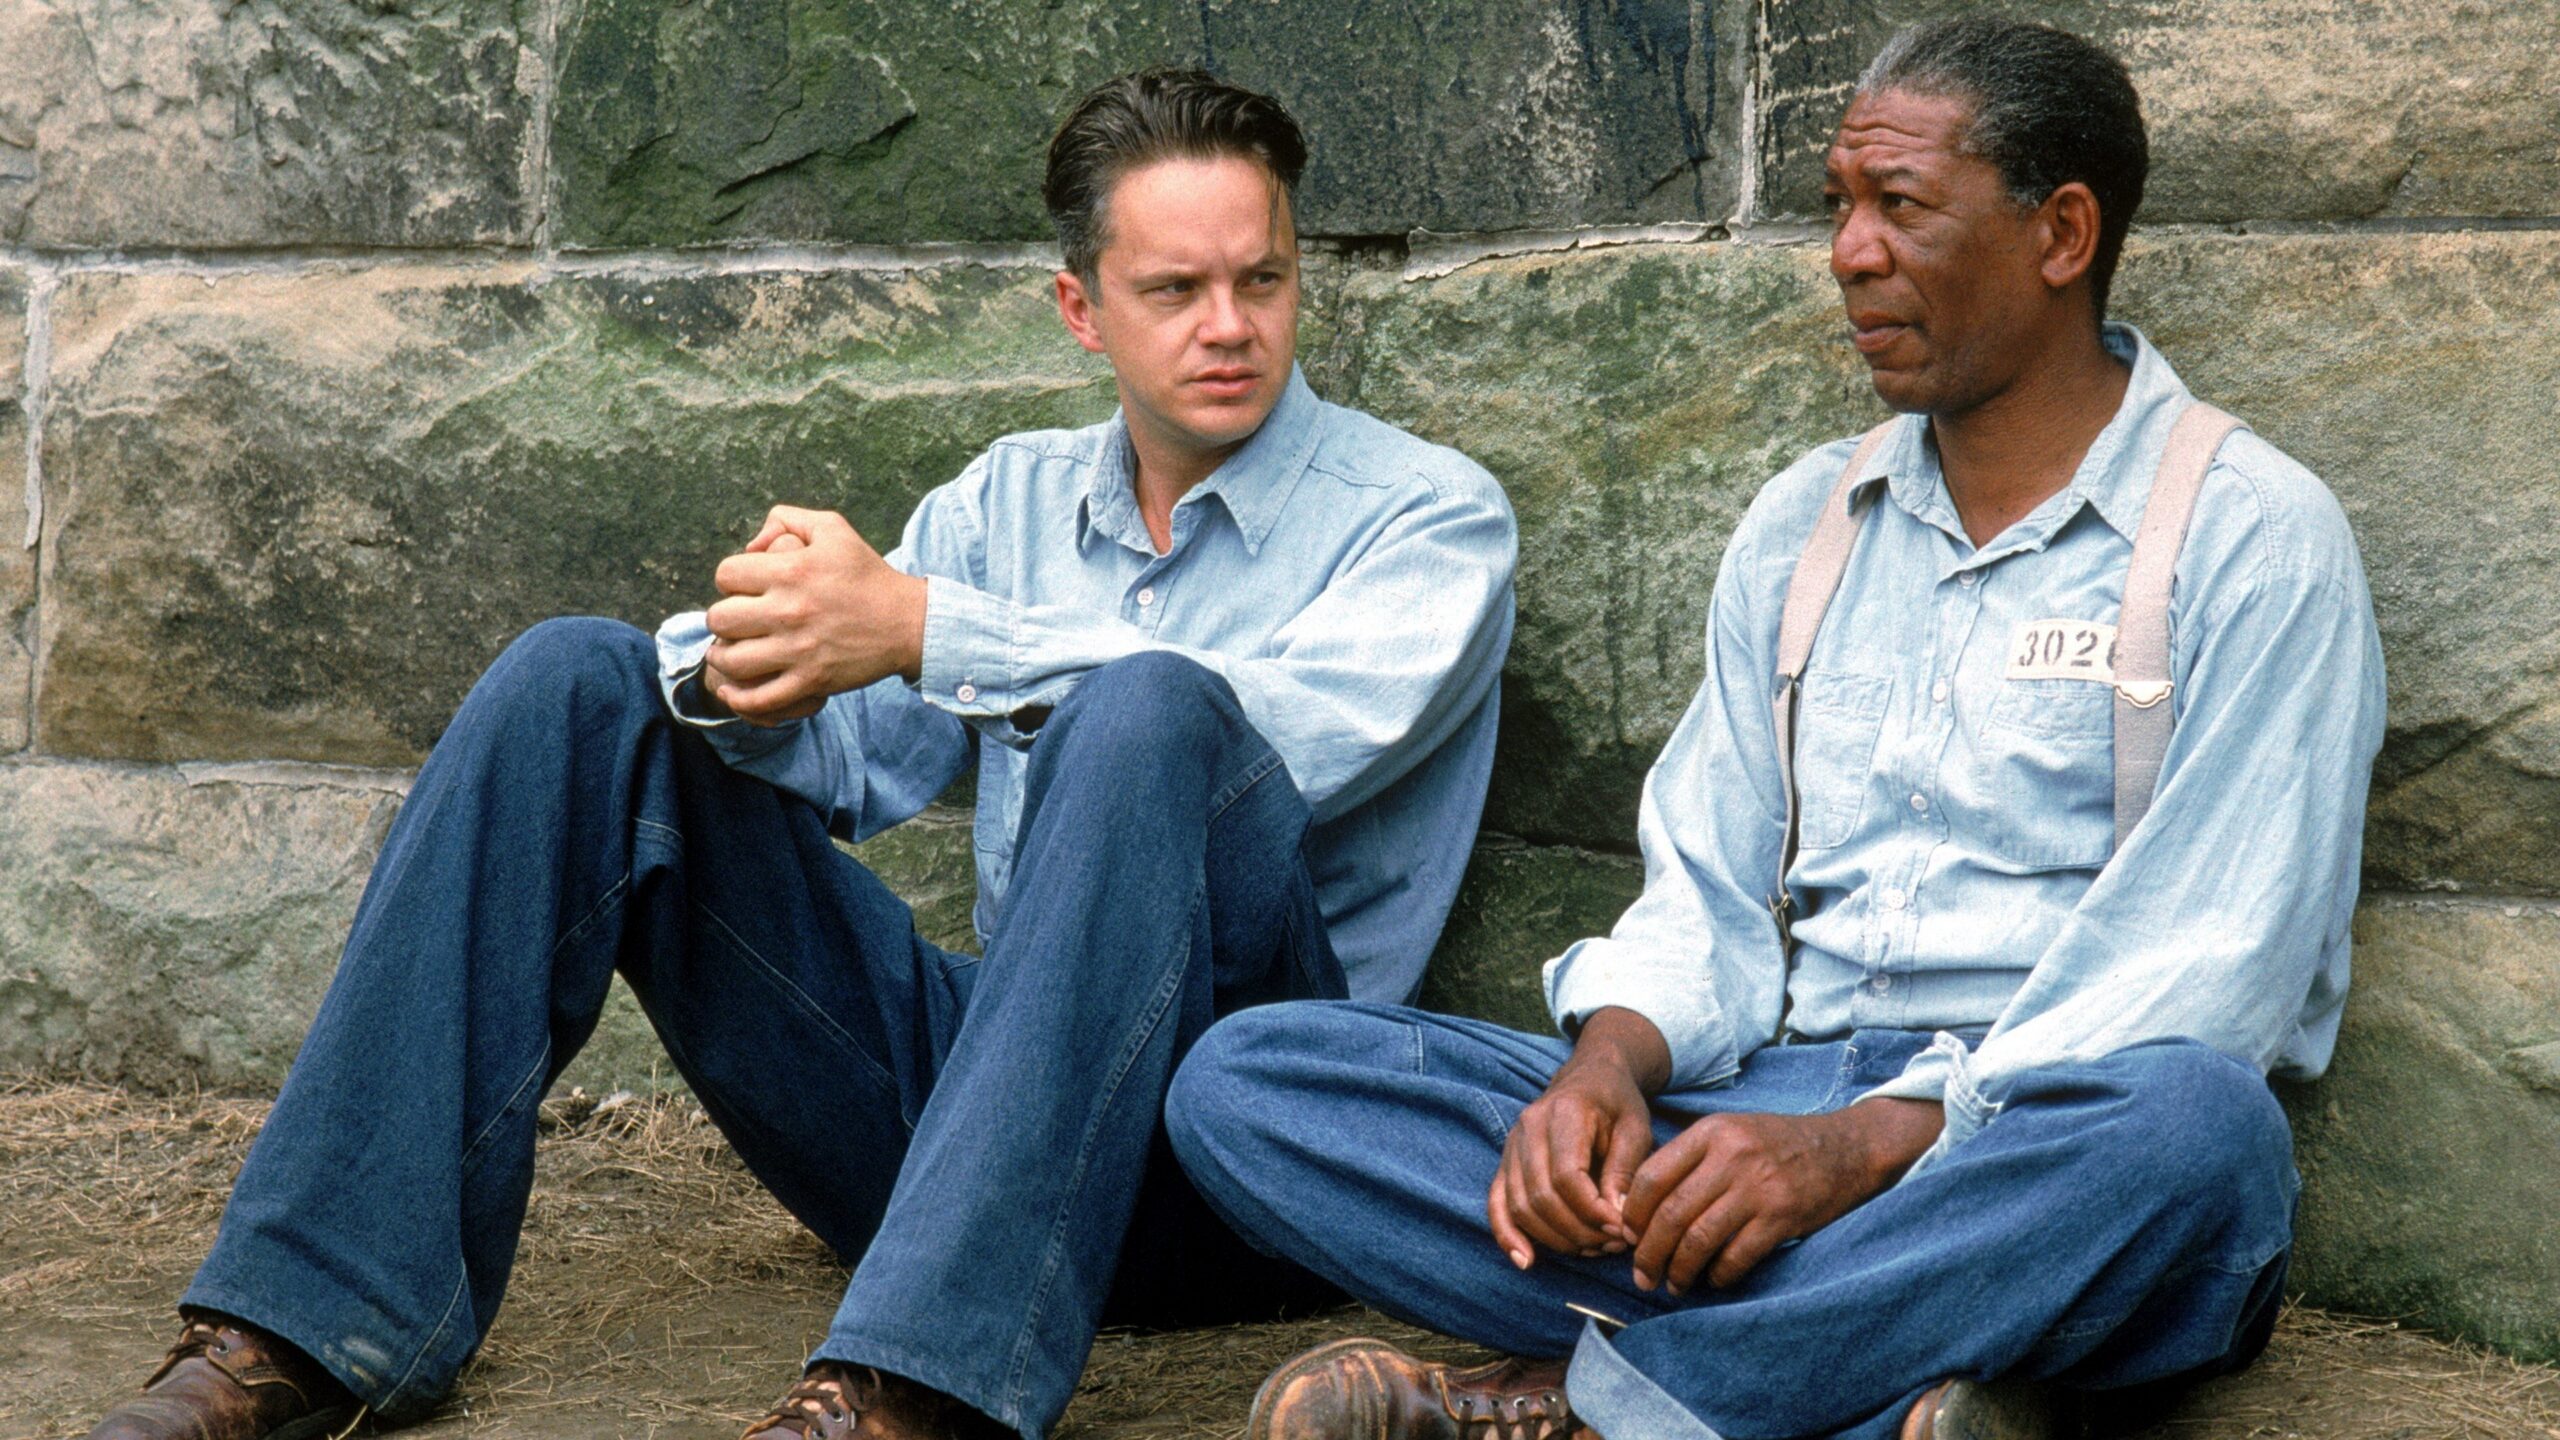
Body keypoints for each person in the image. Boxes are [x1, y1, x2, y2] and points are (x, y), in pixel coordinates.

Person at [84, 69, 1517, 1440]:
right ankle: (303, 1326)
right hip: (975, 1133)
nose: (1230, 326)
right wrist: (754, 659)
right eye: (1176, 290)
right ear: (1082, 309)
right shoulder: (1008, 502)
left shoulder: (1428, 518)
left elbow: (1286, 734)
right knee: (580, 679)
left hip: (1244, 1156)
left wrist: (920, 624)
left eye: (1262, 280)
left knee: (1155, 711)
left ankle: (913, 1390)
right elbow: (848, 765)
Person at [1165, 18, 2385, 1440]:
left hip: (2031, 1137)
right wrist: (1608, 1072)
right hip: (1758, 1117)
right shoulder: (1807, 523)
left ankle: (1603, 1404)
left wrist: (1860, 1152)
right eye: (1838, 206)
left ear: (2062, 234)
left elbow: (2207, 972)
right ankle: (1900, 1368)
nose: (1850, 253)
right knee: (1251, 1081)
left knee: (2199, 1138)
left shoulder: (2252, 538)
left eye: (1901, 206)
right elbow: (1709, 889)